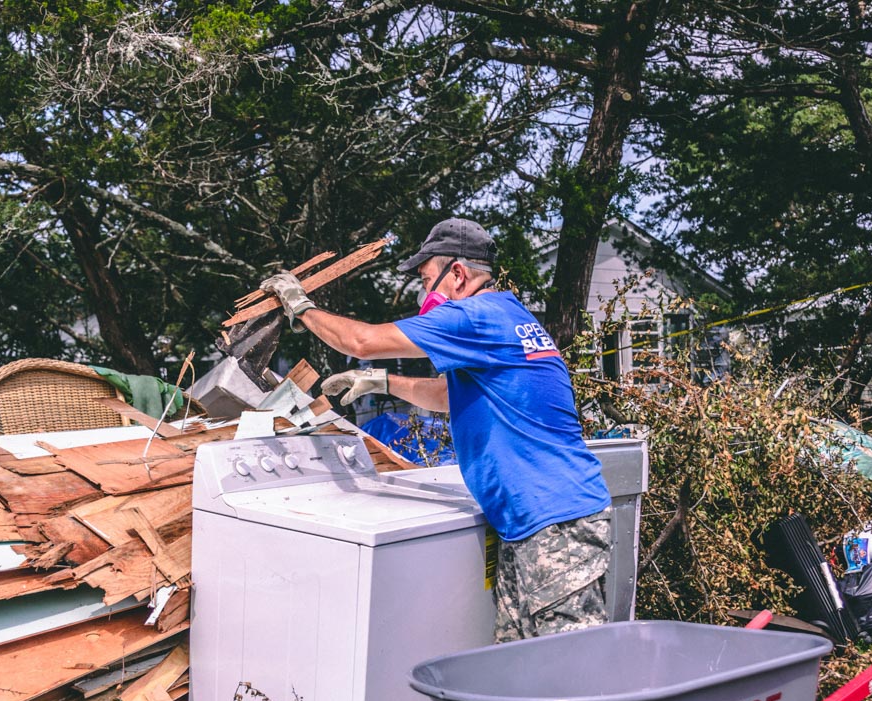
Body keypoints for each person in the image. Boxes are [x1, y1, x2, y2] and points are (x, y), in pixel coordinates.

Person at [258, 218, 611, 643]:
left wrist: (301, 306)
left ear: (458, 274)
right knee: (520, 665)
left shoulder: (476, 316)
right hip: (534, 520)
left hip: (556, 524)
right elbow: (450, 396)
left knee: (571, 668)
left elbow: (362, 341)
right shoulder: (507, 314)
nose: (426, 295)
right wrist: (381, 382)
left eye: (428, 281)